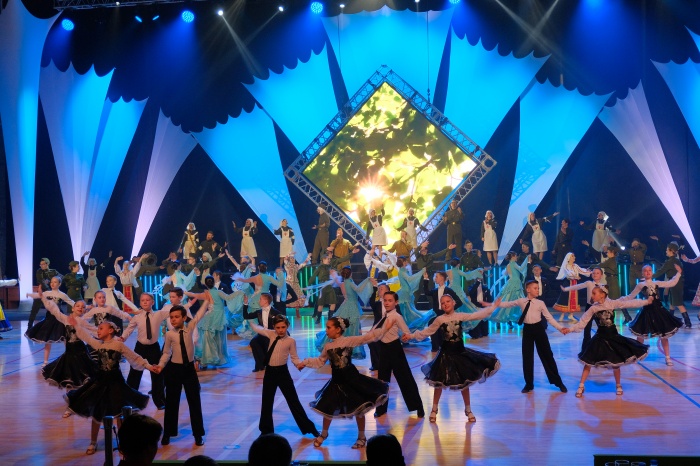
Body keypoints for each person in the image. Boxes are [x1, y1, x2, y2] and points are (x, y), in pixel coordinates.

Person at [403, 295, 501, 423]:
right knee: (438, 382)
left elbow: (477, 315)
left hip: (460, 354)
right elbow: (427, 332)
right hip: (445, 355)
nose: (446, 304)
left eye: (448, 301)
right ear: (441, 306)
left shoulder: (460, 316)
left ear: (453, 303)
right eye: (443, 303)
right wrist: (411, 336)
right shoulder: (439, 319)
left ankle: (468, 409)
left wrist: (493, 307)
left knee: (465, 382)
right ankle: (434, 409)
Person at [66, 319, 154, 455]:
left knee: (119, 413)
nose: (98, 331)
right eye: (98, 329)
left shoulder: (118, 345)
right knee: (97, 413)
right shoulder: (98, 344)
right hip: (100, 382)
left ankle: (123, 443)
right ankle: (93, 442)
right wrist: (76, 325)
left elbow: (135, 357)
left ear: (111, 330)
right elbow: (86, 337)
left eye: (101, 328)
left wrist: (148, 366)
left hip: (116, 383)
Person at [298, 317, 386, 449]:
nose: (326, 330)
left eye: (329, 327)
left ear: (338, 329)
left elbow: (366, 338)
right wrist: (305, 362)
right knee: (327, 407)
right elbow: (320, 361)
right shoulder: (328, 346)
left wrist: (382, 330)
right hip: (336, 382)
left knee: (359, 408)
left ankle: (362, 437)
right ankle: (324, 434)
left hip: (352, 380)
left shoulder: (348, 341)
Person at [566, 286, 651, 397]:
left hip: (613, 337)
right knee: (588, 362)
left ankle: (618, 385)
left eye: (594, 293)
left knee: (616, 363)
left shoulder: (612, 304)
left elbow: (629, 303)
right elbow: (582, 322)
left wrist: (646, 302)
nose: (592, 295)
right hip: (600, 338)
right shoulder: (593, 308)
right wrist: (570, 329)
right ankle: (581, 385)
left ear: (602, 295)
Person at [251, 314, 320, 437]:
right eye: (278, 327)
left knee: (293, 401)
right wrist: (250, 322)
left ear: (287, 326)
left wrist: (299, 364)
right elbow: (259, 329)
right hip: (270, 373)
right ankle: (266, 431)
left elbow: (294, 357)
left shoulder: (291, 341)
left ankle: (309, 428)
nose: (281, 330)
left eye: (283, 327)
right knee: (266, 402)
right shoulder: (271, 334)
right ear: (274, 327)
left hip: (283, 373)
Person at [155, 302, 212, 447]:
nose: (173, 319)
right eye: (171, 317)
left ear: (184, 318)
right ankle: (168, 433)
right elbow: (166, 352)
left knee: (194, 402)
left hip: (189, 370)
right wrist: (161, 365)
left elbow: (198, 315)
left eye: (176, 317)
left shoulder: (190, 328)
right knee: (171, 402)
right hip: (174, 370)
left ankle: (198, 434)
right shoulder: (169, 334)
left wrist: (206, 300)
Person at [498, 280, 569, 393]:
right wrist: (494, 304)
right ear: (528, 290)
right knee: (527, 357)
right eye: (535, 288)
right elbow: (507, 304)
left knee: (547, 355)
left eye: (538, 288)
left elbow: (549, 317)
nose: (537, 290)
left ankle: (558, 382)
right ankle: (529, 384)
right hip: (527, 330)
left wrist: (560, 328)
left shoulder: (540, 303)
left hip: (539, 329)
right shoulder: (521, 301)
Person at [372, 291, 424, 418]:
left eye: (390, 300)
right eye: (385, 300)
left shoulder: (397, 316)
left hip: (395, 349)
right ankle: (381, 409)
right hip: (384, 349)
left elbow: (406, 331)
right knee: (382, 380)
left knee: (405, 379)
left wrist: (405, 337)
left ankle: (418, 406)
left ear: (396, 302)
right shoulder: (384, 316)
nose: (387, 303)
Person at [622, 264, 683, 366]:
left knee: (664, 335)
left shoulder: (656, 283)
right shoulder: (640, 285)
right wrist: (618, 301)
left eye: (649, 270)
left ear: (652, 272)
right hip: (647, 311)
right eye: (645, 271)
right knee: (640, 335)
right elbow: (630, 296)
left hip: (659, 311)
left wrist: (678, 273)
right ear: (642, 273)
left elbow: (671, 283)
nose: (648, 272)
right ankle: (637, 355)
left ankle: (667, 358)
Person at [120, 293, 167, 410]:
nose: (145, 302)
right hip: (140, 348)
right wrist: (123, 337)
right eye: (142, 300)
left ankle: (160, 401)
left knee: (157, 374)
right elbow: (129, 329)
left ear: (153, 302)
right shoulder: (137, 317)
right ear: (140, 303)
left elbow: (172, 311)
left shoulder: (158, 314)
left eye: (147, 300)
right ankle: (131, 401)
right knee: (134, 374)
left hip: (154, 348)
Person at [315, 266, 373, 359]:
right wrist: (367, 280)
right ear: (350, 274)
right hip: (352, 306)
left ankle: (340, 346)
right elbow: (358, 290)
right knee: (353, 327)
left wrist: (335, 276)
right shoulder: (350, 283)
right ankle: (352, 348)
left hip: (345, 305)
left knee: (343, 326)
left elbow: (338, 282)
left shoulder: (343, 283)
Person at [25, 276, 74, 366]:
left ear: (59, 284)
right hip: (49, 318)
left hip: (59, 317)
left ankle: (70, 359)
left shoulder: (62, 295)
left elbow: (72, 302)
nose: (52, 284)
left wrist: (84, 307)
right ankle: (45, 361)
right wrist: (29, 294)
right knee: (48, 340)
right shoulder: (47, 293)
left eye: (55, 282)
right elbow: (38, 295)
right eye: (51, 282)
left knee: (65, 338)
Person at [185, 277, 230, 369]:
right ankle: (215, 358)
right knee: (217, 339)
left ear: (205, 284)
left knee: (206, 338)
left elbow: (194, 294)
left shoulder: (207, 294)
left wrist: (184, 292)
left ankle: (206, 360)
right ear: (214, 283)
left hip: (209, 319)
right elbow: (228, 298)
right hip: (219, 319)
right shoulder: (218, 292)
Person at [560, 267, 606, 351]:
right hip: (589, 307)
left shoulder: (604, 286)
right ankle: (586, 350)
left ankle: (602, 347)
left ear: (601, 275)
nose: (595, 274)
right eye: (593, 273)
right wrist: (566, 289)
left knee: (602, 328)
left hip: (599, 308)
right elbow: (578, 286)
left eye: (597, 273)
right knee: (587, 328)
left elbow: (606, 299)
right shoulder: (589, 283)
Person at [590, 244, 633, 324]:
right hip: (611, 281)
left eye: (608, 252)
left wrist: (590, 267)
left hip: (613, 283)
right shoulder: (611, 260)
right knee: (615, 300)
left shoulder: (611, 260)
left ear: (612, 253)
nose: (607, 253)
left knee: (614, 301)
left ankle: (618, 318)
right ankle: (625, 317)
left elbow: (600, 265)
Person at [422, 270, 463, 352]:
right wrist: (426, 279)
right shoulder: (435, 290)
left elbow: (459, 302)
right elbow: (426, 292)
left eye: (436, 276)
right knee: (432, 325)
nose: (435, 278)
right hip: (437, 314)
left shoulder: (449, 290)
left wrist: (450, 309)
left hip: (446, 314)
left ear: (442, 278)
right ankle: (435, 347)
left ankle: (444, 346)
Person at [654, 242, 690, 328]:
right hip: (674, 282)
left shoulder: (670, 261)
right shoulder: (675, 260)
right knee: (672, 303)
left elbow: (660, 271)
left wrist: (649, 277)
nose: (666, 251)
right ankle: (670, 321)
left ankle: (688, 322)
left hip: (676, 284)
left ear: (671, 251)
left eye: (667, 250)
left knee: (678, 303)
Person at [243, 293, 281, 372]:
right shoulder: (259, 312)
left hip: (271, 334)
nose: (258, 301)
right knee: (253, 342)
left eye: (260, 299)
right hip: (262, 334)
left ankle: (266, 363)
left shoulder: (276, 312)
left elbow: (281, 324)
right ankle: (259, 365)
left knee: (267, 344)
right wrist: (245, 304)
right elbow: (246, 316)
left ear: (266, 301)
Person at [490, 252, 529, 326]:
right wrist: (526, 260)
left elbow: (505, 273)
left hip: (511, 283)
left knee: (508, 300)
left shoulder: (509, 265)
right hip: (515, 283)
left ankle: (505, 318)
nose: (517, 257)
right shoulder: (513, 263)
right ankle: (510, 318)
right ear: (513, 257)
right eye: (516, 256)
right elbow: (521, 269)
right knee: (514, 300)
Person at [553, 252, 591, 321]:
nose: (574, 257)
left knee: (574, 299)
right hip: (568, 284)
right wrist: (576, 277)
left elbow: (582, 270)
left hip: (574, 284)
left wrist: (589, 271)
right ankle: (562, 315)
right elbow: (569, 274)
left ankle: (571, 315)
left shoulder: (575, 266)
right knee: (565, 299)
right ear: (569, 258)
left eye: (574, 256)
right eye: (572, 256)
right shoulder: (566, 266)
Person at [28, 257, 61, 328]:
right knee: (34, 310)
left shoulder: (53, 271)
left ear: (47, 264)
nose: (41, 266)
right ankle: (29, 326)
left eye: (43, 264)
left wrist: (56, 283)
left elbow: (61, 277)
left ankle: (57, 326)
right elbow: (41, 281)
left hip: (51, 293)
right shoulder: (39, 271)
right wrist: (49, 291)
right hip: (42, 293)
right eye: (41, 264)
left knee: (55, 309)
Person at [367, 282, 389, 371]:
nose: (379, 290)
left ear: (387, 291)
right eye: (379, 289)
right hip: (377, 329)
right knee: (371, 342)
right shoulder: (376, 304)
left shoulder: (392, 303)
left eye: (381, 289)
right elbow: (371, 301)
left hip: (389, 328)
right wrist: (375, 287)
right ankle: (375, 364)